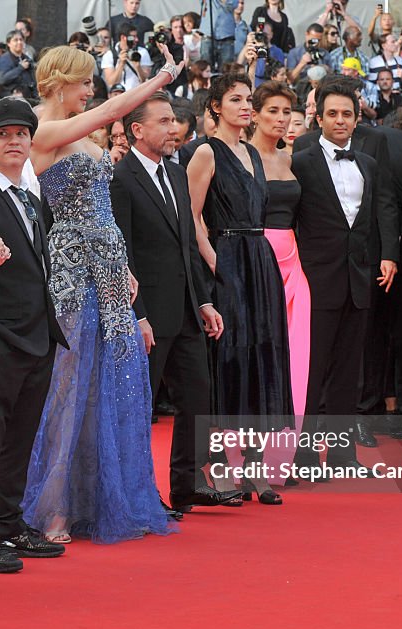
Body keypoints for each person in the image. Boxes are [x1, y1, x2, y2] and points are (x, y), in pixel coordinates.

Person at [23, 44, 182, 543]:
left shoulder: (81, 133)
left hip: (110, 267)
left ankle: (96, 498)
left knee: (113, 379)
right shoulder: (41, 130)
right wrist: (160, 79)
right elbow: (115, 110)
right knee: (70, 380)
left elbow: (104, 212)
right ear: (59, 81)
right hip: (72, 266)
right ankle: (53, 508)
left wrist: (124, 268)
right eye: (84, 82)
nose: (91, 92)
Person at [110, 91, 233, 515]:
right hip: (146, 315)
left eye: (174, 121)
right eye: (163, 121)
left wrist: (203, 301)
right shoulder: (121, 179)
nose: (174, 128)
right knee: (140, 409)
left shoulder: (177, 175)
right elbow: (119, 254)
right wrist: (136, 313)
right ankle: (138, 495)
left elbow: (185, 247)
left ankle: (188, 485)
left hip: (185, 311)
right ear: (137, 130)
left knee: (197, 399)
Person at [0, 98, 69, 571]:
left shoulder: (29, 192)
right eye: (3, 135)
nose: (14, 142)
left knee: (22, 436)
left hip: (39, 336)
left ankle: (9, 523)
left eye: (21, 134)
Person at [188, 73, 292, 497]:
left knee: (261, 357)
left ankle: (252, 467)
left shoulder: (251, 152)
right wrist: (217, 264)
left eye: (248, 99)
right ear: (216, 107)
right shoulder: (205, 153)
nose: (246, 106)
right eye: (236, 99)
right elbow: (191, 218)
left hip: (260, 260)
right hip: (227, 257)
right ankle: (219, 464)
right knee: (229, 360)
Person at [290, 78, 396, 473]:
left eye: (346, 114)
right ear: (318, 116)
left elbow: (375, 216)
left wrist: (386, 257)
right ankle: (301, 457)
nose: (340, 121)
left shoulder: (368, 163)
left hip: (358, 281)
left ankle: (340, 455)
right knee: (311, 372)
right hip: (314, 282)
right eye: (332, 113)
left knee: (349, 373)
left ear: (357, 118)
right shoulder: (300, 160)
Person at [249, 81, 311, 420]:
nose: (282, 119)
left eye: (287, 112)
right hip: (255, 261)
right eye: (273, 111)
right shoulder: (239, 157)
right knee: (260, 353)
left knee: (296, 352)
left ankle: (288, 445)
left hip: (294, 264)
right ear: (254, 115)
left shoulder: (291, 160)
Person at [0, 30, 37, 98]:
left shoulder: (26, 58)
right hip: (12, 96)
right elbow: (2, 79)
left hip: (29, 96)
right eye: (15, 40)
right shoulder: (4, 59)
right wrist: (20, 68)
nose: (19, 42)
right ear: (8, 43)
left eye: (21, 40)